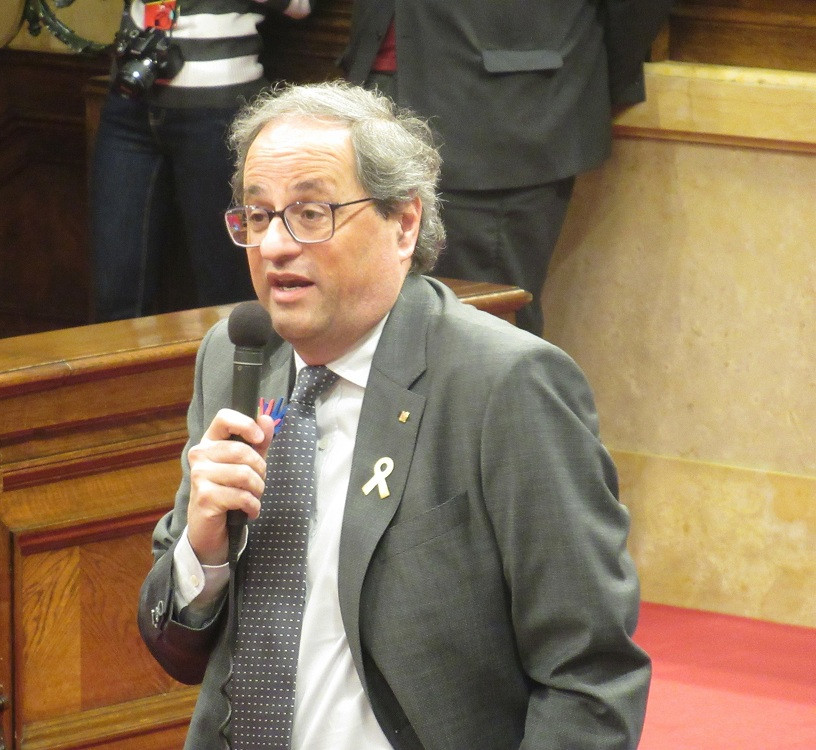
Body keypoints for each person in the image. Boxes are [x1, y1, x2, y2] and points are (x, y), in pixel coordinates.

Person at [138, 81, 649, 749]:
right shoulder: (236, 358)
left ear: (404, 223)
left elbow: (590, 677)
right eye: (257, 217)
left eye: (311, 213)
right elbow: (175, 648)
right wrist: (201, 553)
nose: (275, 246)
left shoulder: (503, 385)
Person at [338, 0, 674, 335]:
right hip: (375, 89)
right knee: (378, 328)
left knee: (480, 333)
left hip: (504, 109)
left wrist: (583, 76)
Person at [89, 0, 312, 322]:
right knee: (115, 289)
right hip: (130, 100)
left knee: (226, 286)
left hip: (219, 110)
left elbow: (300, 5)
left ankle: (228, 371)